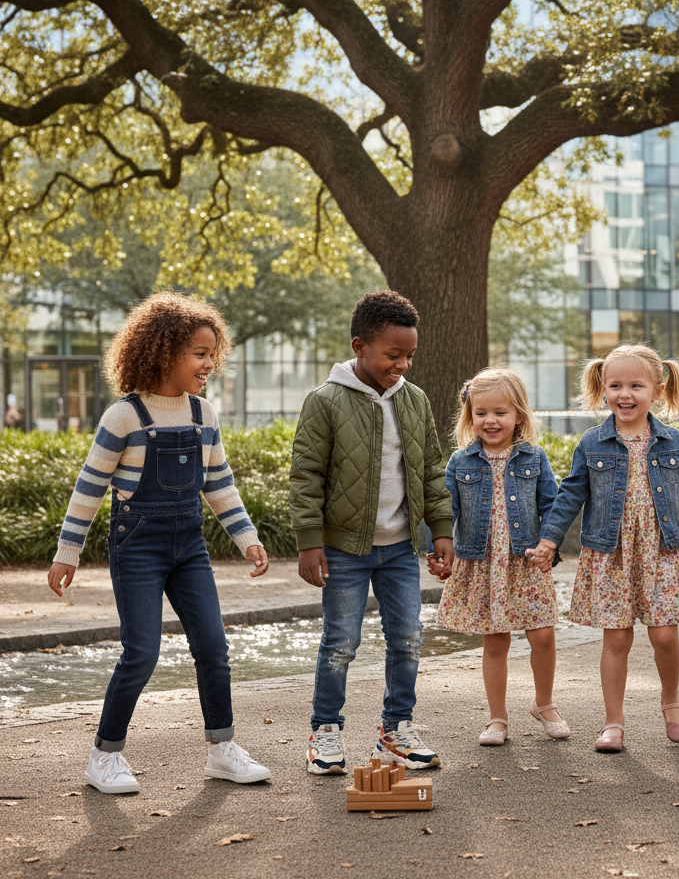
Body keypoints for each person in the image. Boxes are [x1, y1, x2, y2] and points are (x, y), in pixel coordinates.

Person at [46, 292, 271, 795]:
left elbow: (219, 483)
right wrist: (68, 551)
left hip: (189, 546)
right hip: (139, 547)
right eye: (198, 353)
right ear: (163, 352)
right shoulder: (124, 417)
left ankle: (222, 750)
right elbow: (89, 488)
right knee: (141, 652)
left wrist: (246, 537)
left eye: (212, 353)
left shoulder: (202, 413)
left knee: (214, 647)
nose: (209, 362)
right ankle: (104, 756)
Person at [539, 344, 679, 753]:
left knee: (664, 635)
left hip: (661, 552)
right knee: (616, 639)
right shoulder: (592, 443)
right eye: (615, 385)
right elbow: (569, 496)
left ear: (657, 388)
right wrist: (550, 539)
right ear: (603, 388)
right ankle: (613, 722)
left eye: (636, 385)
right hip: (611, 553)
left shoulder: (672, 442)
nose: (625, 394)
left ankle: (672, 702)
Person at [290, 290, 453, 775]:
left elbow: (431, 470)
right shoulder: (325, 402)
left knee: (407, 638)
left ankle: (395, 731)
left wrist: (440, 528)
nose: (402, 364)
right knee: (340, 642)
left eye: (409, 356)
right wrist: (309, 542)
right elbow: (306, 476)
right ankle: (325, 732)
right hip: (344, 550)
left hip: (400, 549)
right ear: (360, 346)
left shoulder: (415, 400)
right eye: (392, 354)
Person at [434, 368, 567, 746]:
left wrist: (550, 544)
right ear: (470, 416)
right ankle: (497, 718)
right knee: (495, 641)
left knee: (542, 634)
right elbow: (447, 511)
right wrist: (438, 548)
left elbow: (552, 505)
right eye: (481, 413)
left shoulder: (534, 458)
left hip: (524, 562)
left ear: (519, 416)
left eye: (500, 412)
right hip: (482, 562)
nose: (490, 420)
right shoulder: (461, 462)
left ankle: (544, 703)